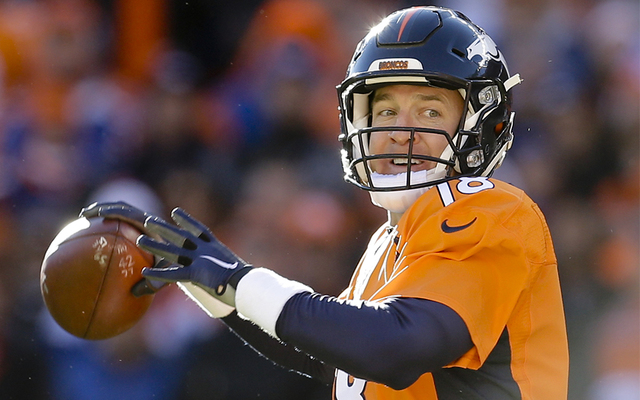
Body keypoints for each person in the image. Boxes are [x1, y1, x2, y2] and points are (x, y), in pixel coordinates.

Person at [81, 6, 569, 399]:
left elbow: (394, 347)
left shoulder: (495, 212)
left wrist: (239, 280)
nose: (400, 130)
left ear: (481, 122)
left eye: (428, 109)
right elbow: (340, 358)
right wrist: (213, 284)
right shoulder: (388, 241)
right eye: (385, 110)